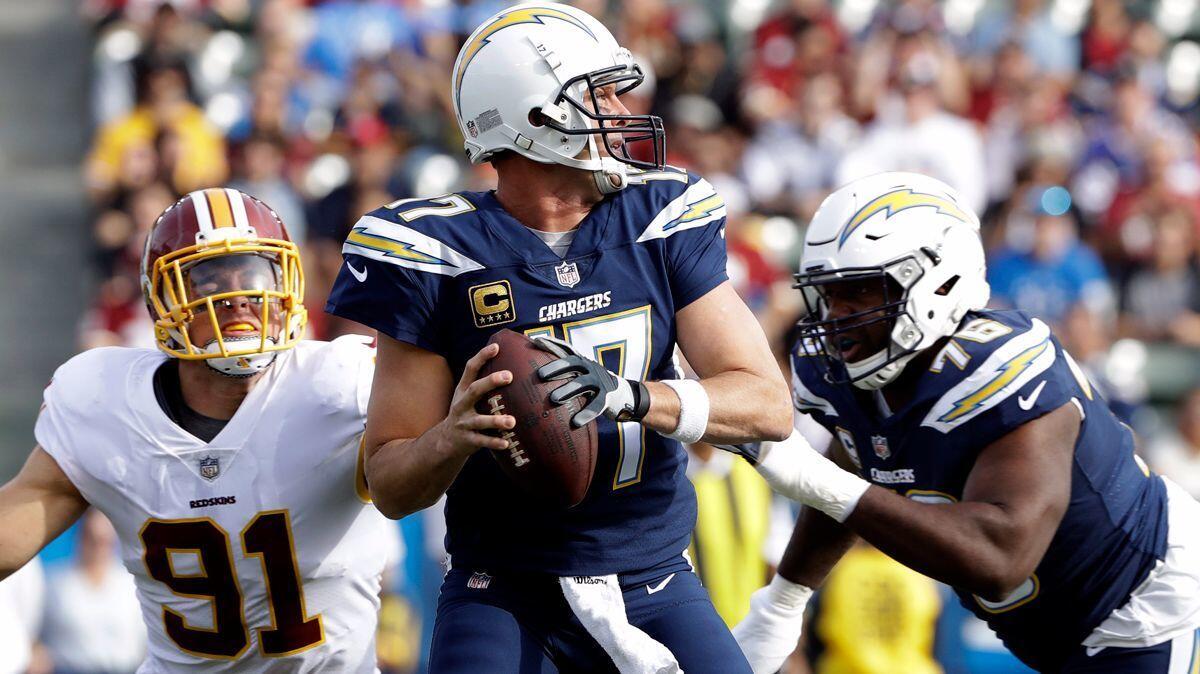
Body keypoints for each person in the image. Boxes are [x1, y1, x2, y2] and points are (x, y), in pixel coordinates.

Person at [324, 3, 793, 672]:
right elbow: (392, 485)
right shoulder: (433, 252)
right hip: (502, 586)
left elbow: (767, 406)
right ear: (531, 115)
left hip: (652, 575)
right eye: (596, 94)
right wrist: (448, 439)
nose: (620, 107)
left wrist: (634, 396)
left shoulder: (659, 215)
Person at [729, 172, 1200, 673]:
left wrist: (816, 481)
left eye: (862, 292)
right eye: (829, 295)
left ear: (940, 281)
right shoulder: (860, 373)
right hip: (1044, 622)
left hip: (1134, 608)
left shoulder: (1005, 371)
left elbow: (999, 560)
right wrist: (782, 602)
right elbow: (860, 456)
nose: (838, 316)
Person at [0, 188, 393, 671]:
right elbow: (12, 529)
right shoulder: (102, 401)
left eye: (254, 274)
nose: (237, 298)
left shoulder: (342, 383)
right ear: (162, 299)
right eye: (207, 281)